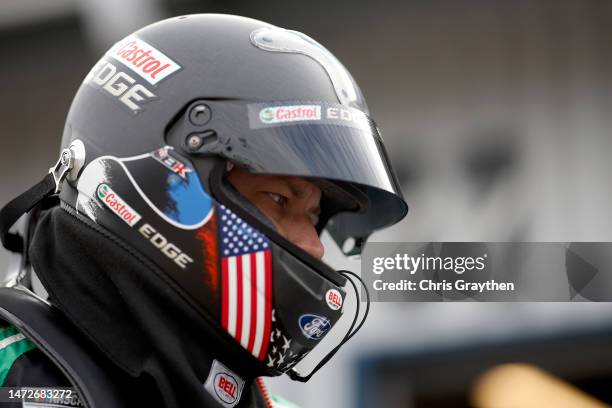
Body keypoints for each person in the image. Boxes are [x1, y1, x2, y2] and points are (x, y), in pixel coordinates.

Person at [0, 14, 407, 408]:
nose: (313, 246)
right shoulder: (14, 377)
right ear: (165, 181)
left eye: (315, 217)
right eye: (279, 199)